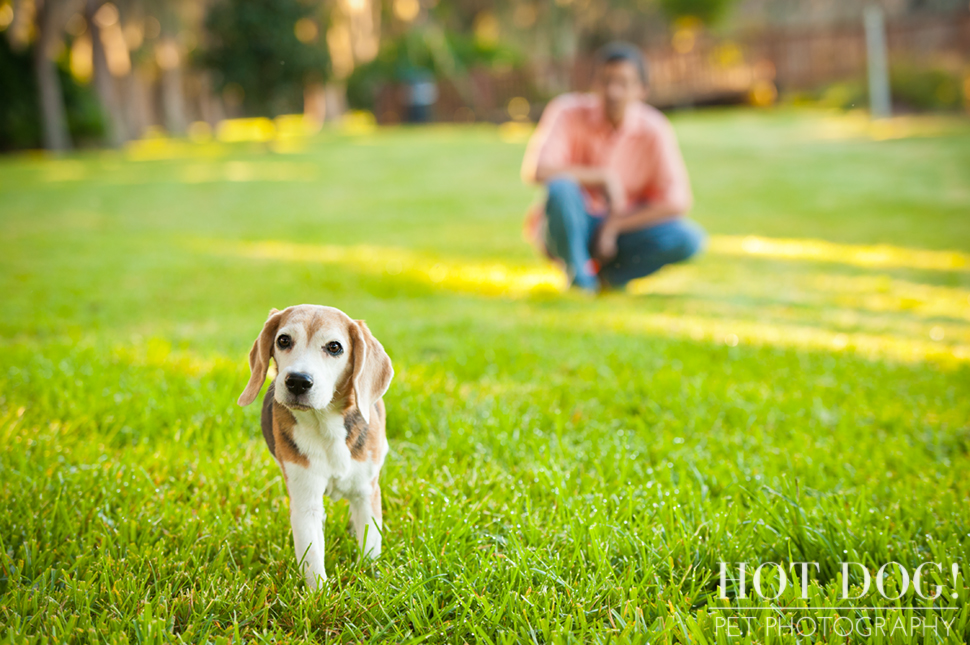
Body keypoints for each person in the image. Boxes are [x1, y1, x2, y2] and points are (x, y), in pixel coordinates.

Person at [521, 42, 705, 292]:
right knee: (562, 188)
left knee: (689, 239)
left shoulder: (654, 129)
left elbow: (677, 202)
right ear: (594, 84)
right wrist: (601, 178)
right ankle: (578, 278)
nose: (613, 92)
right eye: (606, 81)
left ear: (642, 90)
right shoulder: (566, 111)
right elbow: (537, 170)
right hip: (571, 224)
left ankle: (609, 278)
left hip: (623, 229)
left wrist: (613, 226)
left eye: (623, 83)